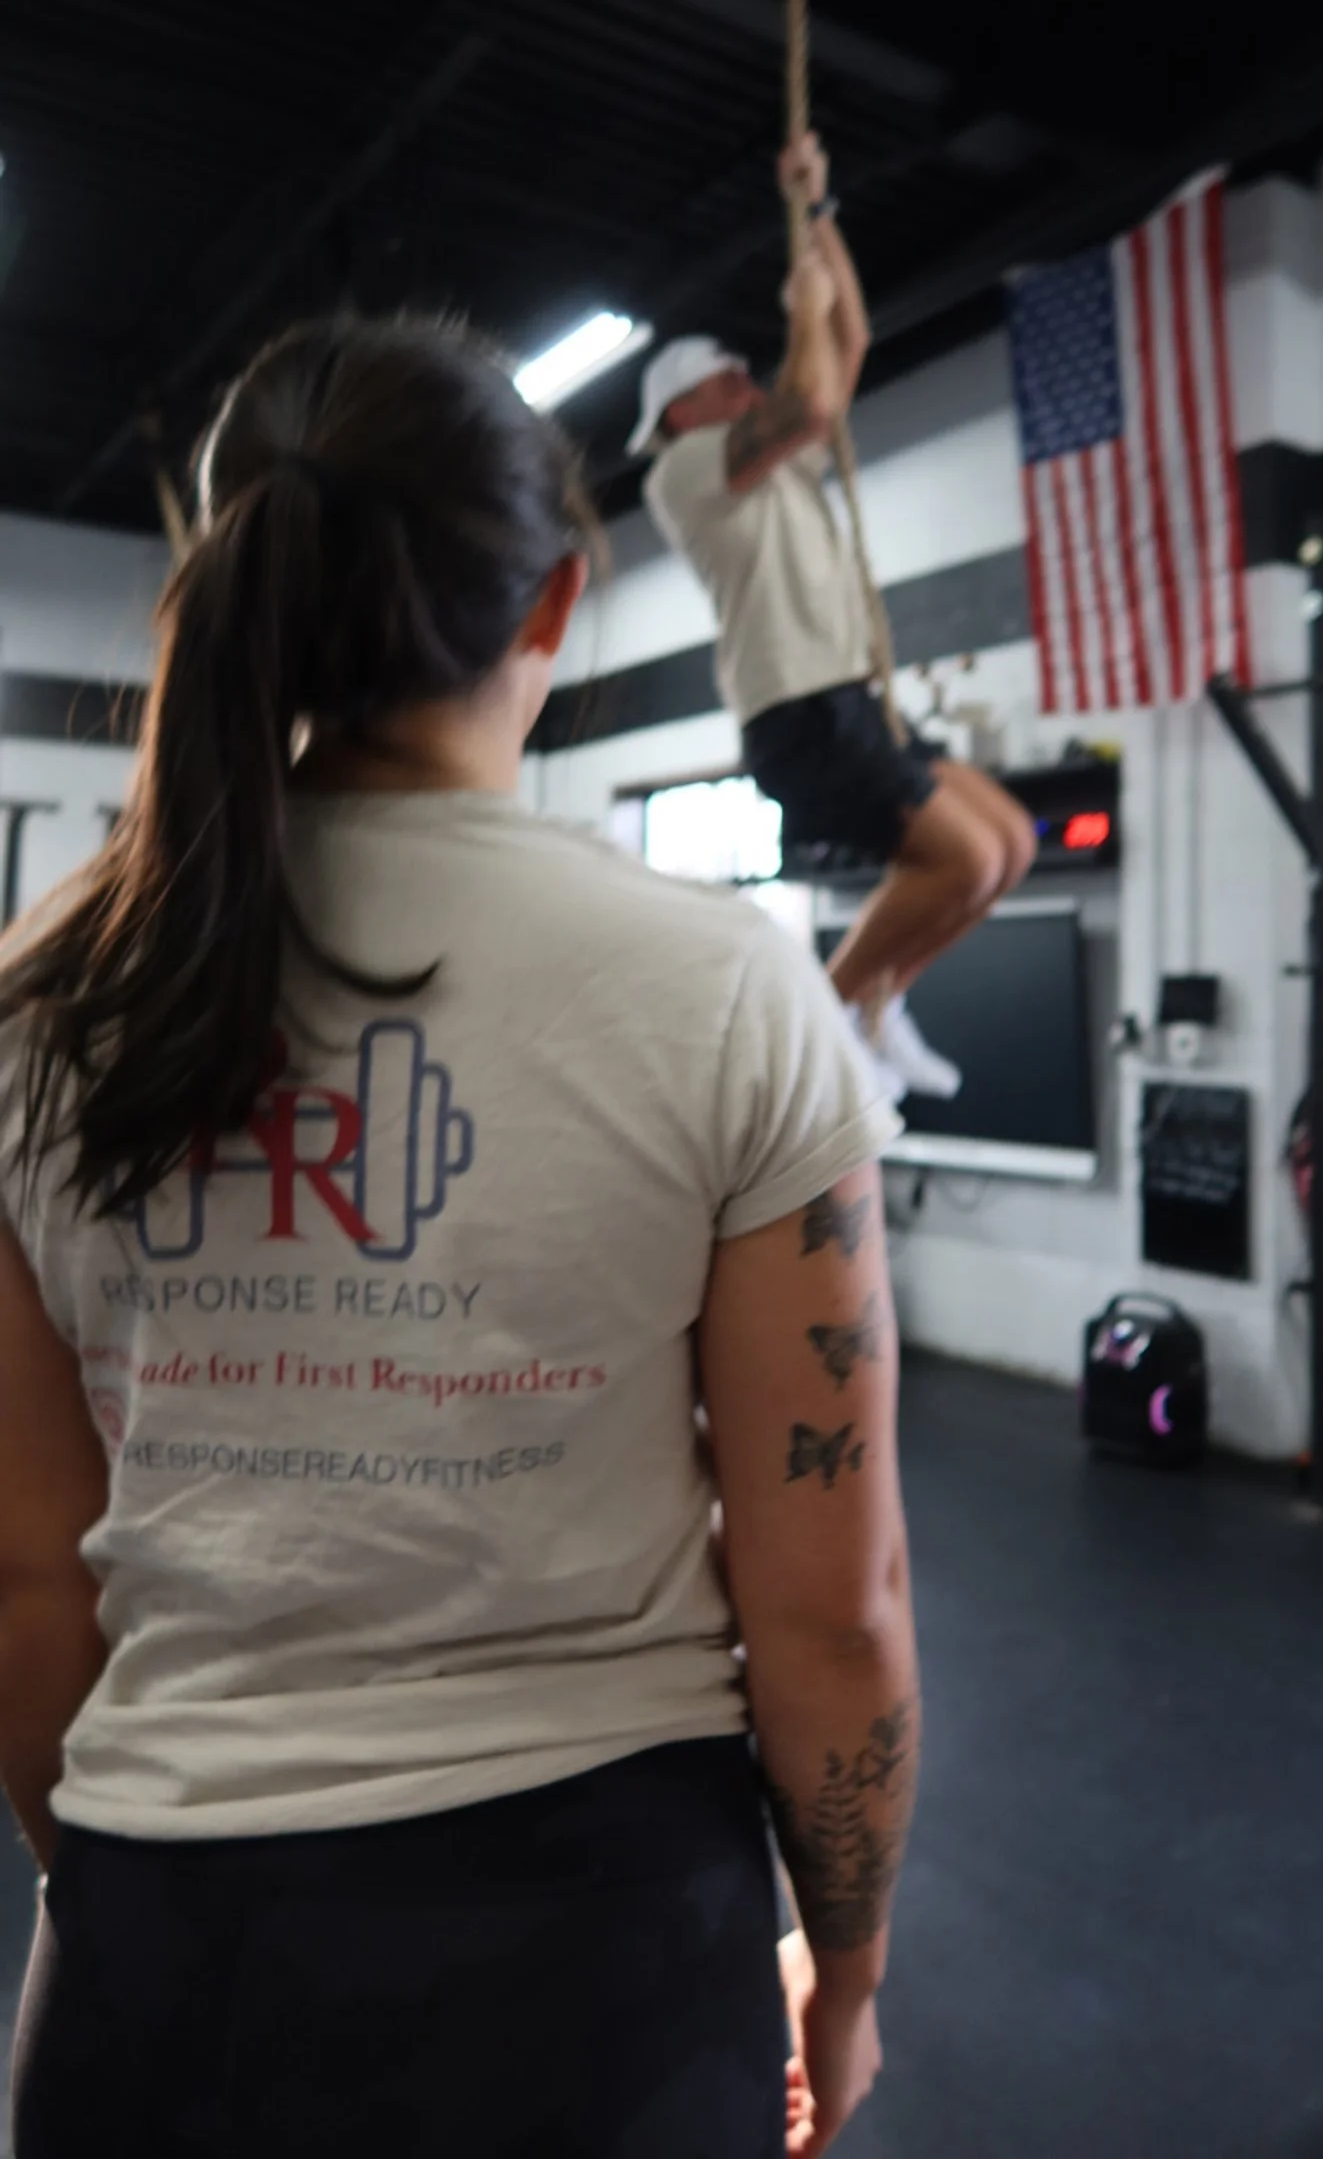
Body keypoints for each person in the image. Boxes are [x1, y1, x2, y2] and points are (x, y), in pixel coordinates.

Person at [0, 314, 920, 2159]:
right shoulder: (724, 992)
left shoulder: (36, 1008)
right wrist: (850, 1966)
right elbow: (832, 1608)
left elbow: (30, 1587)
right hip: (605, 1983)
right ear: (556, 605)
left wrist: (117, 1887)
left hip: (162, 1973)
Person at [637, 130, 1037, 1105]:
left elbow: (846, 349)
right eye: (726, 380)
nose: (747, 384)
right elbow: (812, 398)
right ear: (680, 410)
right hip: (801, 710)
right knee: (965, 857)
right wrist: (800, 309)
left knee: (1012, 844)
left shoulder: (769, 462)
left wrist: (820, 219)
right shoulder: (685, 469)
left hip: (849, 695)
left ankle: (878, 1001)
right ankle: (830, 1026)